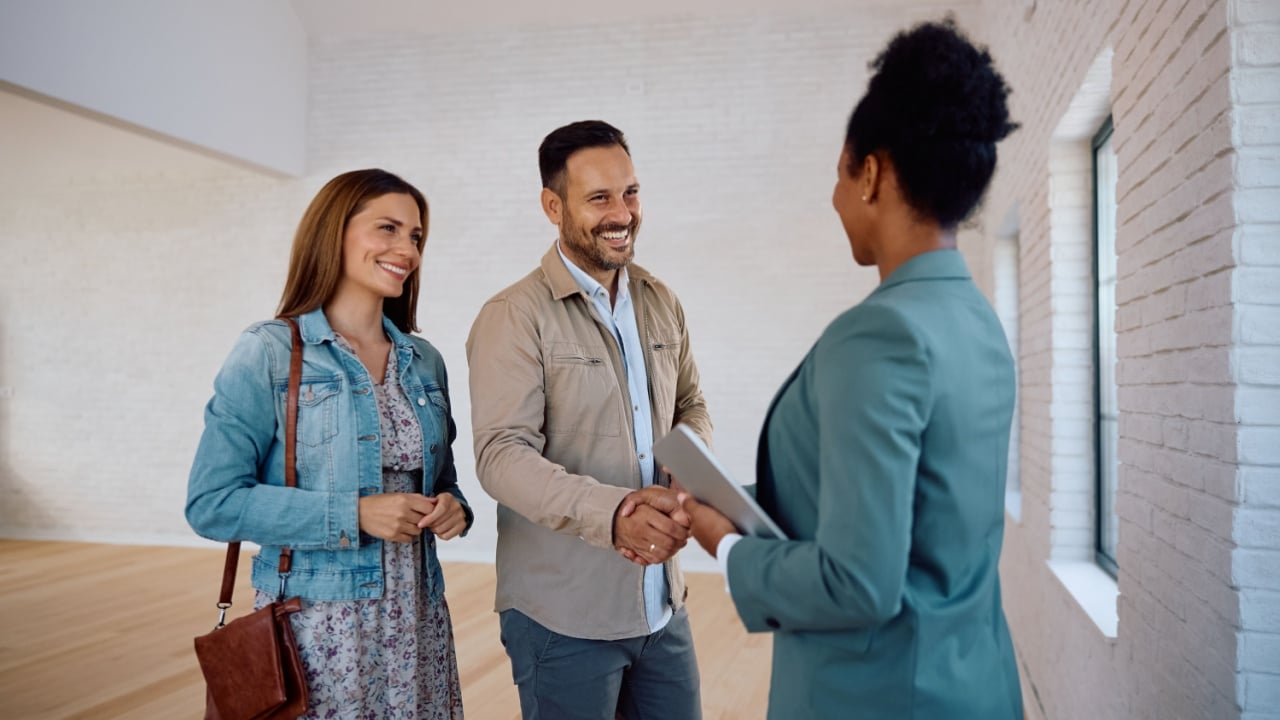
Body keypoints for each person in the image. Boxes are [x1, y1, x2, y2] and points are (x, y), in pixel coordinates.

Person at [672, 19, 1023, 719]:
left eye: (839, 173)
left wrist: (726, 544)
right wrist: (718, 500)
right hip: (974, 679)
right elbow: (901, 506)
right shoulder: (976, 318)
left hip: (882, 694)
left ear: (871, 172)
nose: (835, 198)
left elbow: (858, 582)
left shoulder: (880, 335)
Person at [186, 169, 472, 719]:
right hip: (321, 626)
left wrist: (454, 508)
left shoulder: (423, 359)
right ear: (333, 232)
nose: (406, 249)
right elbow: (212, 503)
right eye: (387, 228)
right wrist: (356, 513)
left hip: (418, 618)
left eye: (415, 236)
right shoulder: (269, 352)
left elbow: (442, 480)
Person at [466, 120, 712, 720]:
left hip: (661, 605)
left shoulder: (660, 301)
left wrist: (688, 466)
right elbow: (501, 455)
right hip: (562, 618)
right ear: (553, 206)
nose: (622, 213)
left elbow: (691, 405)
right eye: (599, 197)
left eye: (630, 192)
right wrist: (616, 512)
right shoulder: (513, 316)